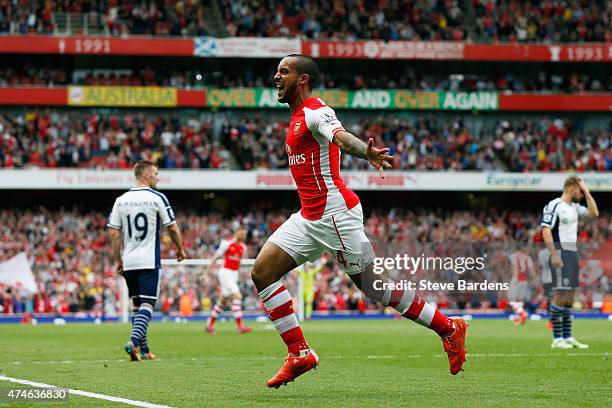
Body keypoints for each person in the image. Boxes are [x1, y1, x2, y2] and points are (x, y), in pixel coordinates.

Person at [251, 54, 468, 389]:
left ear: (303, 78)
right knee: (262, 272)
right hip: (310, 217)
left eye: (284, 72)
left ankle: (449, 328)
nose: (276, 77)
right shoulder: (295, 118)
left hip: (336, 215)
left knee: (375, 287)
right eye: (277, 72)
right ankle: (299, 353)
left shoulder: (315, 111)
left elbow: (340, 136)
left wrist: (364, 152)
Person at [108, 160, 186, 361]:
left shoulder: (120, 200)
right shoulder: (157, 197)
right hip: (148, 260)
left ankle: (144, 349)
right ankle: (133, 342)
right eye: (156, 174)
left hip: (129, 260)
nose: (158, 178)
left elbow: (114, 235)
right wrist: (179, 248)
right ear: (147, 175)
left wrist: (118, 260)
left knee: (137, 306)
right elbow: (172, 228)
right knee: (148, 305)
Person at [541, 176, 599, 349]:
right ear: (572, 188)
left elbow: (594, 214)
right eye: (580, 190)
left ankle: (567, 336)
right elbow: (546, 230)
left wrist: (588, 192)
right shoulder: (554, 205)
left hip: (572, 253)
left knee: (570, 296)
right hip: (559, 251)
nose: (581, 194)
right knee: (560, 294)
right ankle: (556, 338)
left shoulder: (574, 207)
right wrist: (554, 254)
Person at [206, 227, 252, 334]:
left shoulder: (243, 247)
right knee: (238, 296)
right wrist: (207, 270)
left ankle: (210, 325)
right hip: (225, 273)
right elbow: (216, 256)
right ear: (237, 233)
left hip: (233, 275)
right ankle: (240, 326)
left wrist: (240, 275)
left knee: (222, 301)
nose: (244, 236)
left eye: (245, 234)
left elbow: (239, 263)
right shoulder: (226, 244)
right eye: (242, 233)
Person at [508, 248, 536, 325]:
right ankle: (516, 318)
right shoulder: (527, 257)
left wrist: (516, 278)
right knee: (520, 300)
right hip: (524, 280)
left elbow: (515, 267)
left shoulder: (514, 256)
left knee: (511, 299)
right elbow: (532, 270)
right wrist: (534, 279)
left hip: (517, 279)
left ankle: (522, 313)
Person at [296, 254, 329, 320]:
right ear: (304, 267)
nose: (307, 267)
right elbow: (295, 269)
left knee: (309, 302)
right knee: (302, 303)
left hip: (309, 290)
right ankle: (302, 316)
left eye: (308, 266)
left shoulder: (311, 272)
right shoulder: (301, 272)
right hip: (302, 290)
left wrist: (323, 262)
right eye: (306, 266)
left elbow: (318, 268)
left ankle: (308, 316)